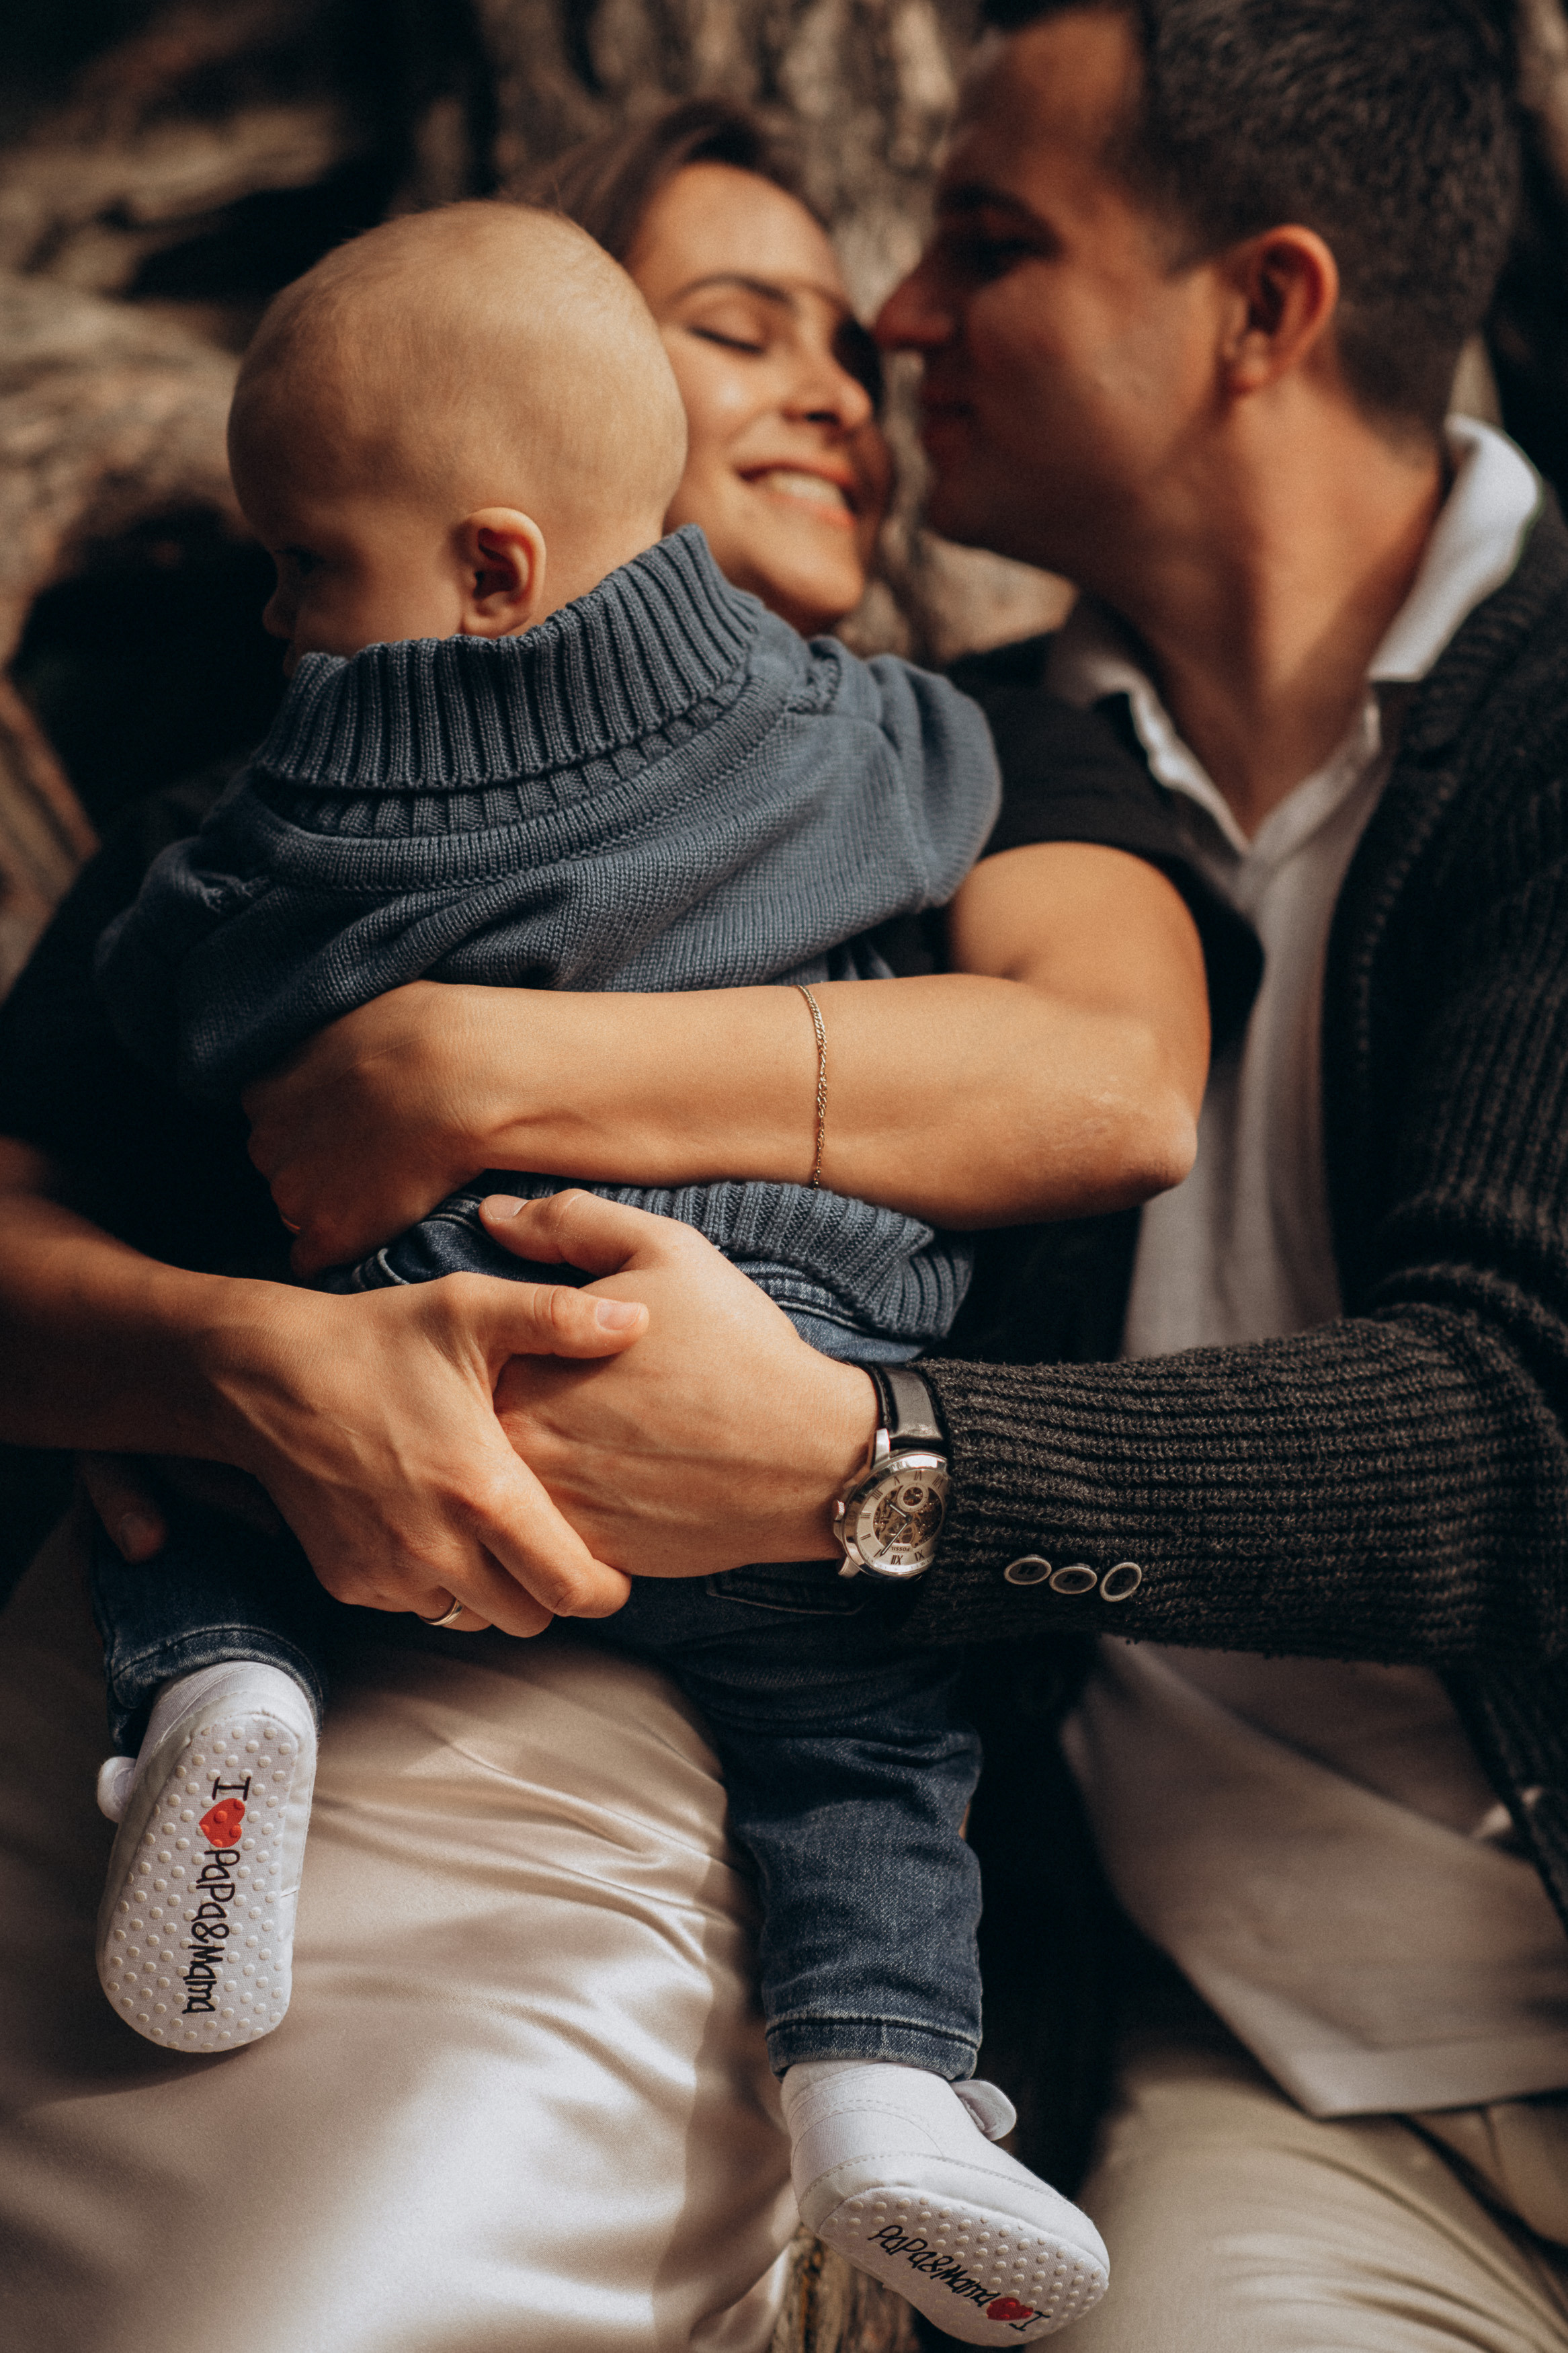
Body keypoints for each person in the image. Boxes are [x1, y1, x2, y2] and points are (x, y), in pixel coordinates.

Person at [0, 104, 1228, 2353]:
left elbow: (1113, 1082)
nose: (829, 389)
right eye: (728, 331)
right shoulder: (244, 776)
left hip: (683, 1784)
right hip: (219, 1706)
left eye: (848, 346)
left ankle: (867, 2090)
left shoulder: (988, 752)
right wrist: (241, 1365)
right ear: (543, 461)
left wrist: (471, 1074)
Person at [470, 5, 1568, 2347]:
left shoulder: (1553, 726)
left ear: (1264, 310)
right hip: (1248, 2085)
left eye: (991, 238)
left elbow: (1517, 1436)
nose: (892, 318)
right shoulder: (980, 775)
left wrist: (881, 1461)